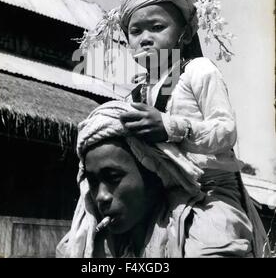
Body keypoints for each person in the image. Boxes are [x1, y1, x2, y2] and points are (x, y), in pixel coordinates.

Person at [65, 0, 270, 257]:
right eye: (135, 31)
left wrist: (172, 127)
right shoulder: (138, 92)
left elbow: (226, 131)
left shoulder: (200, 72)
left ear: (185, 34)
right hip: (165, 194)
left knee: (212, 250)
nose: (145, 38)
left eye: (157, 27)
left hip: (209, 195)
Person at [56, 101, 268, 258]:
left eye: (113, 178)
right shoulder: (85, 245)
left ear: (155, 173)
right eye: (92, 182)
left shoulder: (206, 235)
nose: (101, 196)